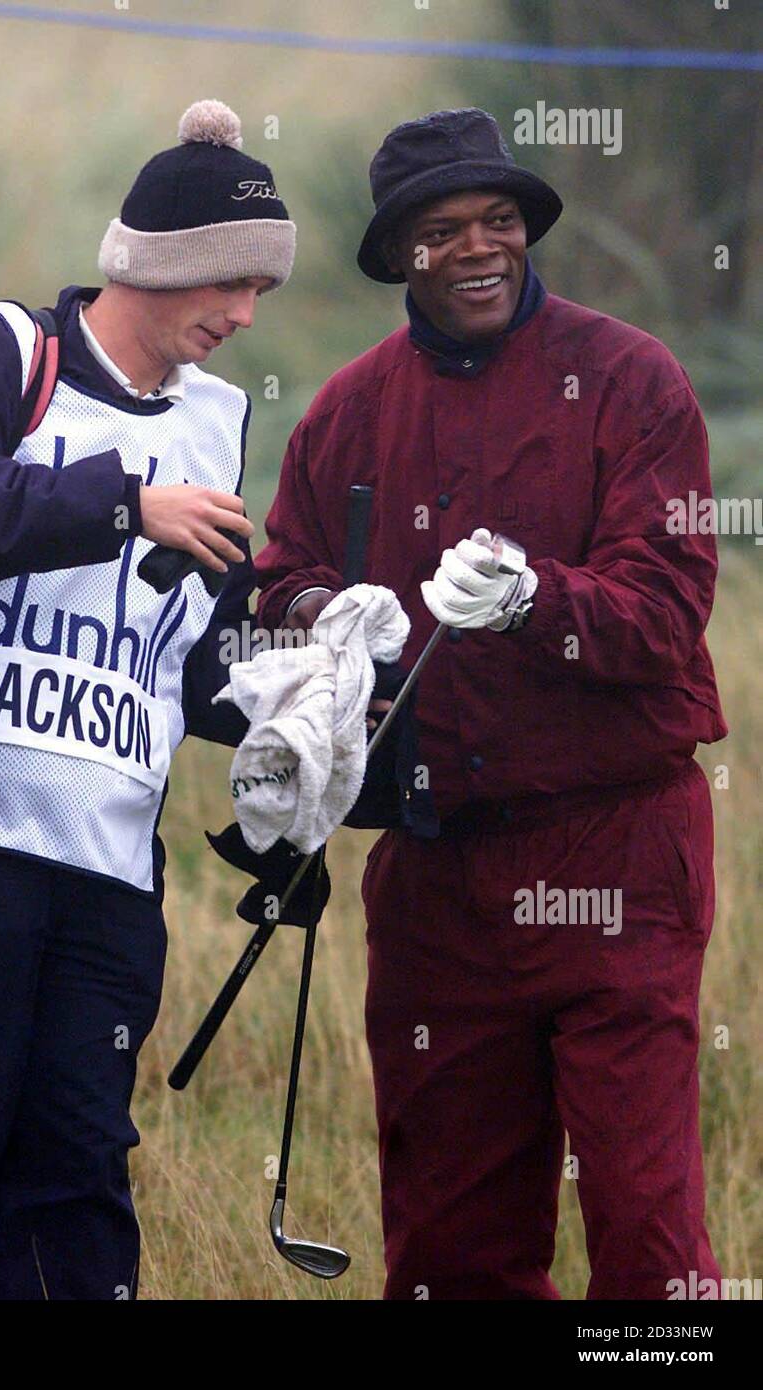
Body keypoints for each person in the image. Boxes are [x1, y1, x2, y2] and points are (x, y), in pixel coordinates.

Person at [0, 99, 295, 1300]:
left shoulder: (219, 425)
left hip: (111, 881)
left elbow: (188, 657)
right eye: (229, 282)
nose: (243, 317)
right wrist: (126, 502)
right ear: (159, 260)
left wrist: (305, 714)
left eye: (259, 294)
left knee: (75, 1171)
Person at [254, 107, 726, 1301]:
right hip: (434, 876)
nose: (475, 248)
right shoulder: (346, 412)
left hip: (614, 851)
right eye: (442, 229)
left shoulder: (630, 380)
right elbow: (276, 582)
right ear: (399, 255)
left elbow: (666, 610)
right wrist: (323, 615)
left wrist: (533, 599)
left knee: (643, 1228)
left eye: (498, 221)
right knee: (450, 1245)